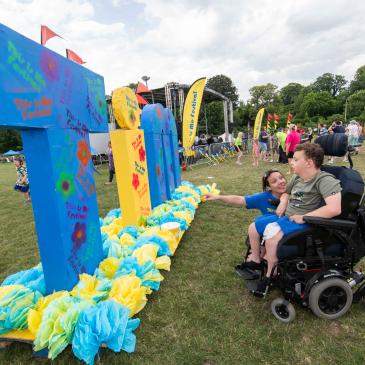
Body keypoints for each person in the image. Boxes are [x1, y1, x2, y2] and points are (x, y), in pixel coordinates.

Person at [246, 143, 342, 296]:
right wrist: (284, 201)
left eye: (296, 159)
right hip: (288, 216)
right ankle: (256, 260)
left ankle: (269, 275)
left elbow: (334, 208)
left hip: (305, 222)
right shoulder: (298, 177)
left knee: (272, 240)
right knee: (254, 227)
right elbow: (286, 193)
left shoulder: (325, 180)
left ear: (308, 163)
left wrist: (304, 217)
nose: (291, 162)